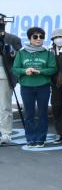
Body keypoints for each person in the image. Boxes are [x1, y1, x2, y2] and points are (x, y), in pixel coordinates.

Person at [12, 27, 57, 147]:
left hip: (43, 87)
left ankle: (41, 139)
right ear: (30, 38)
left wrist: (40, 71)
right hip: (26, 87)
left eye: (41, 36)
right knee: (29, 114)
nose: (38, 39)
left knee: (43, 114)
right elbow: (15, 69)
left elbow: (53, 69)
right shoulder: (21, 52)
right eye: (35, 36)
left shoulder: (47, 53)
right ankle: (30, 138)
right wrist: (24, 71)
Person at [0, 14, 21, 145]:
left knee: (4, 105)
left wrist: (12, 52)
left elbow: (20, 57)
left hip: (4, 73)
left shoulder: (13, 39)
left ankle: (6, 133)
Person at [49, 28, 62, 143]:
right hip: (55, 85)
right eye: (56, 37)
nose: (58, 39)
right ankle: (59, 133)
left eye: (60, 37)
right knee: (56, 108)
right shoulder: (50, 51)